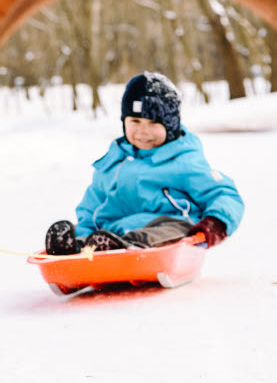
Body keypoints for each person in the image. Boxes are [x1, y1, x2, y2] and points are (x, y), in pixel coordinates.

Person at [45, 72, 244, 255]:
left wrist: (216, 221)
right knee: (93, 238)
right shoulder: (113, 162)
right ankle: (77, 251)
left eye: (153, 123)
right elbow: (92, 208)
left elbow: (223, 193)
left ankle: (124, 249)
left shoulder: (184, 161)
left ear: (171, 126)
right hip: (110, 235)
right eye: (135, 122)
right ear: (124, 121)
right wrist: (82, 233)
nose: (143, 132)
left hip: (168, 229)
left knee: (168, 230)